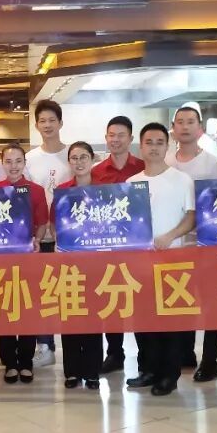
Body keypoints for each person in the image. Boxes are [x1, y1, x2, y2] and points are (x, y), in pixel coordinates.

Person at [125, 123, 196, 397]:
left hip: (173, 260)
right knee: (144, 320)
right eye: (149, 142)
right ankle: (148, 369)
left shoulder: (181, 180)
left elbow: (191, 216)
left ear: (167, 146)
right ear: (141, 146)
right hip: (140, 262)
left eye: (159, 142)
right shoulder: (132, 183)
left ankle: (169, 374)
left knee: (170, 322)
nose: (154, 147)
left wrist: (170, 236)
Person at [171, 101, 217, 381]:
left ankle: (208, 360)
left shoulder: (212, 163)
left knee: (210, 304)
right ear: (173, 128)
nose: (185, 127)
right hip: (173, 246)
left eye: (190, 122)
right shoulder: (166, 161)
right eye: (180, 122)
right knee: (178, 300)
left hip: (206, 245)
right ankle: (184, 354)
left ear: (200, 128)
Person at [89, 116, 145, 375]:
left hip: (138, 246)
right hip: (108, 246)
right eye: (111, 135)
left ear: (130, 139)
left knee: (141, 300)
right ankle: (114, 353)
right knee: (111, 299)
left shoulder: (143, 167)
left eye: (121, 135)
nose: (116, 140)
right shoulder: (97, 172)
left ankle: (146, 355)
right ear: (106, 138)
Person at [0, 144, 48, 384]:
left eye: (18, 161)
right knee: (5, 309)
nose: (13, 166)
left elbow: (42, 222)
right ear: (2, 163)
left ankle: (25, 361)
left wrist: (37, 239)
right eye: (8, 161)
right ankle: (9, 362)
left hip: (28, 259)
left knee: (27, 309)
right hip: (2, 261)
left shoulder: (36, 190)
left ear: (25, 163)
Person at [53, 141, 108, 390]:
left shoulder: (104, 190)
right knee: (71, 317)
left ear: (92, 159)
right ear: (69, 162)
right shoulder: (63, 191)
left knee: (94, 318)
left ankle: (93, 371)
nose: (79, 162)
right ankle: (72, 371)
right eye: (74, 158)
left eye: (83, 157)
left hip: (97, 264)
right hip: (69, 264)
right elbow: (54, 224)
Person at [25, 99, 71, 368]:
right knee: (42, 294)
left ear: (61, 123)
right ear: (36, 125)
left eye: (52, 120)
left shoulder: (72, 154)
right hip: (39, 238)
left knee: (69, 291)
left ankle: (74, 349)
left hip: (68, 238)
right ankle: (45, 345)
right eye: (42, 121)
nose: (47, 125)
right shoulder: (30, 158)